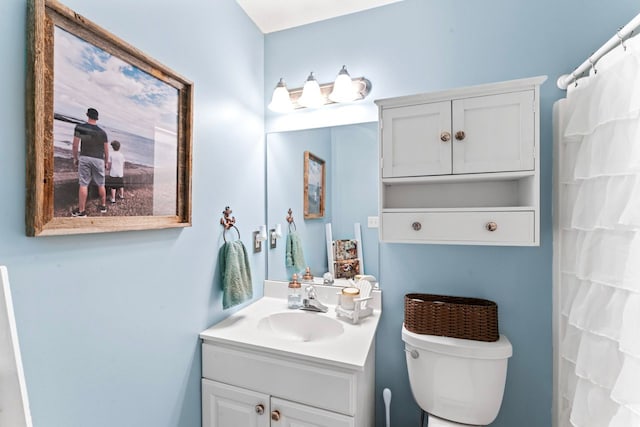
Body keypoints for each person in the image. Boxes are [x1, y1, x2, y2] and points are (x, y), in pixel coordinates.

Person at [71, 107, 109, 217]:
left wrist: (75, 158)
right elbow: (106, 150)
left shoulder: (80, 127)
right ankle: (103, 206)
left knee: (83, 184)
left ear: (87, 115)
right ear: (97, 118)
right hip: (99, 160)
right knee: (101, 183)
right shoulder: (103, 133)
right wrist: (106, 162)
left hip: (85, 157)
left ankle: (82, 211)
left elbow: (75, 145)